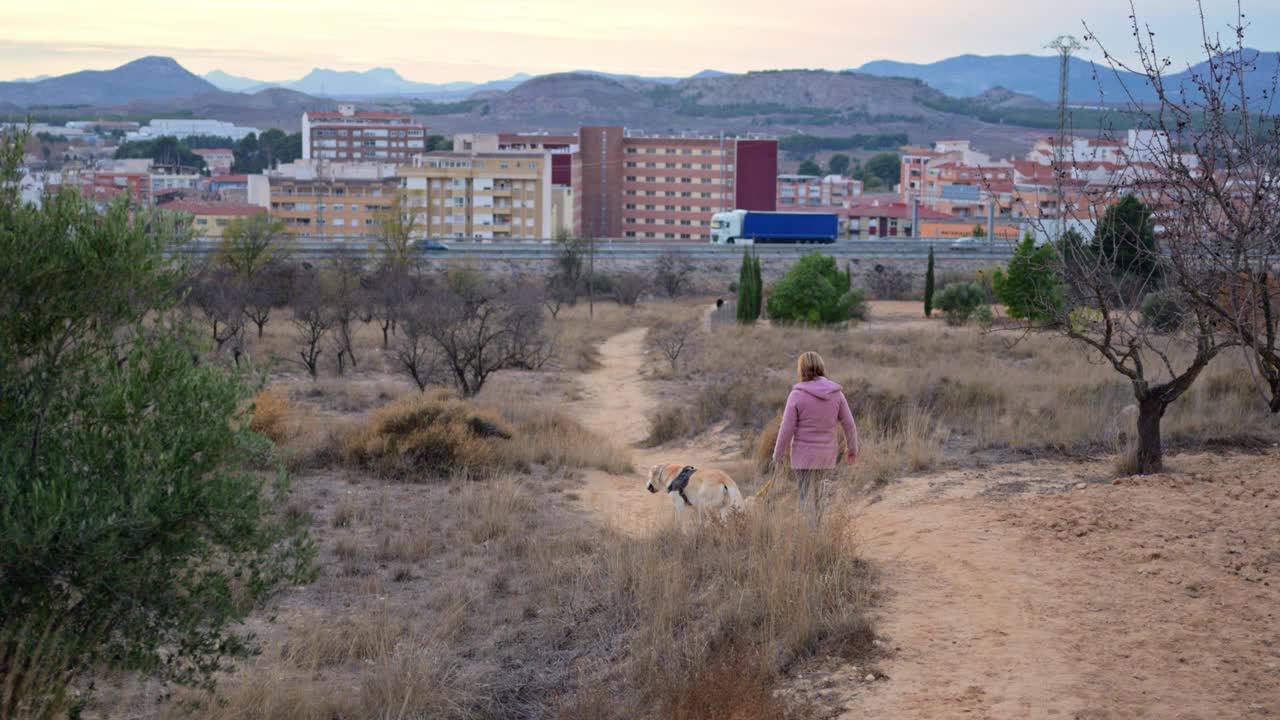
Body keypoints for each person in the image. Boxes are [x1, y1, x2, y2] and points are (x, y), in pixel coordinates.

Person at [771, 351, 858, 526]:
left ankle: (810, 538)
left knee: (805, 499)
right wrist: (852, 449)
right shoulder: (836, 394)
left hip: (803, 458)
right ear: (821, 367)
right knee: (820, 499)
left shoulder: (796, 395)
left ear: (801, 369)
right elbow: (849, 424)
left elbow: (786, 429)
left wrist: (778, 455)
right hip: (826, 457)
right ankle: (819, 535)